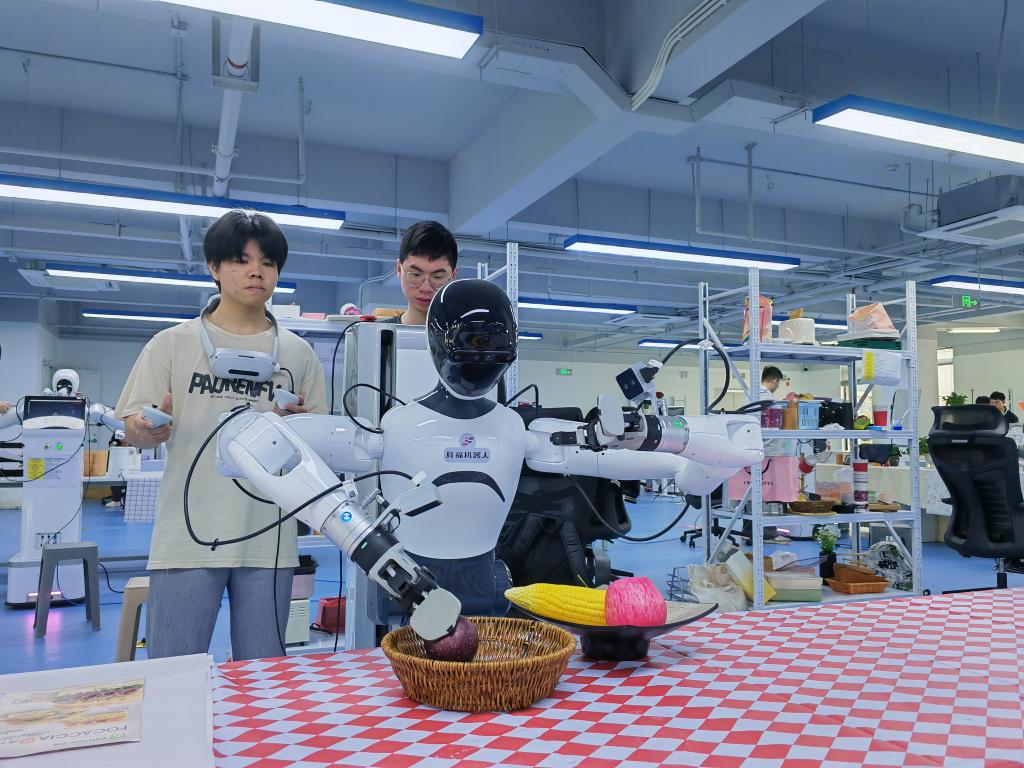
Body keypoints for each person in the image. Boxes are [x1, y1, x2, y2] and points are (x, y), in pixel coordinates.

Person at [116, 210, 327, 661]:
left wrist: (296, 429)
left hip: (269, 540)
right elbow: (133, 428)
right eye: (241, 260)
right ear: (214, 267)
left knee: (264, 676)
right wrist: (148, 429)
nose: (256, 271)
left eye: (268, 262)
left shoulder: (298, 354)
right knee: (174, 667)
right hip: (187, 538)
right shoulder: (172, 344)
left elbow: (316, 446)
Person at [381, 220, 458, 325]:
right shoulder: (375, 333)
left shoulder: (466, 334)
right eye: (416, 274)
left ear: (452, 276)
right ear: (399, 269)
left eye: (437, 277)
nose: (425, 288)